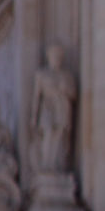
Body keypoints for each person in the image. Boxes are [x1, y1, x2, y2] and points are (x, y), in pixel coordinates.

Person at [30, 43, 76, 173]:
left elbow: (73, 93)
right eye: (53, 55)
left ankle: (57, 165)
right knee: (48, 132)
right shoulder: (42, 74)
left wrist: (65, 89)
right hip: (47, 107)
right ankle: (46, 164)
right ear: (48, 57)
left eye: (58, 56)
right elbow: (36, 97)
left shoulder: (66, 76)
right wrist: (34, 117)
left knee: (59, 136)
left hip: (62, 107)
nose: (56, 58)